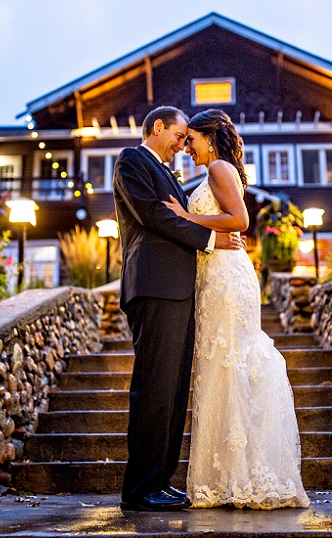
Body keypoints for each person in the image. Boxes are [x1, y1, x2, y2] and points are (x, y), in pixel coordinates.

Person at [163, 109, 310, 510]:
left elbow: (239, 220)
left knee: (228, 364)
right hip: (217, 275)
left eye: (190, 140)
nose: (186, 148)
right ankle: (229, 476)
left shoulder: (219, 169)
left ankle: (243, 476)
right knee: (219, 367)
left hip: (227, 279)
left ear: (209, 138)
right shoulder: (218, 169)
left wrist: (184, 216)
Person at [112, 106, 243, 512]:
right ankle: (139, 488)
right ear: (157, 128)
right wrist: (211, 240)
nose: (183, 144)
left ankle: (161, 480)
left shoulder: (169, 172)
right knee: (154, 387)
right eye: (179, 135)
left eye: (188, 138)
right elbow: (153, 216)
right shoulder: (132, 161)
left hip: (180, 290)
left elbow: (183, 215)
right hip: (154, 286)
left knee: (172, 390)